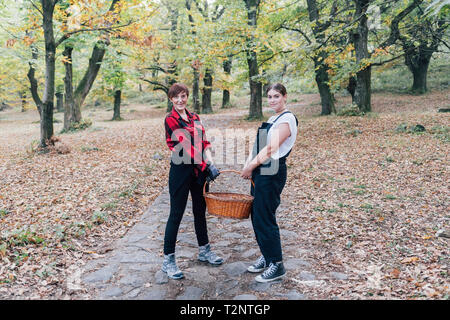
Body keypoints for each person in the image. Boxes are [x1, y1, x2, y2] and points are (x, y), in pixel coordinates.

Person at [162, 83, 223, 280]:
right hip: (181, 170)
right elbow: (185, 146)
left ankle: (204, 251)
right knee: (176, 214)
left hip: (199, 170)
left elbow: (204, 142)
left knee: (200, 211)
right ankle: (168, 261)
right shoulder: (170, 119)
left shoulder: (195, 117)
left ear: (187, 97)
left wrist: (210, 163)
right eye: (176, 97)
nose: (180, 100)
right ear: (171, 99)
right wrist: (206, 166)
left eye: (183, 96)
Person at [241, 83, 298, 283]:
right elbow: (259, 146)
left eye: (276, 96)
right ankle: (267, 256)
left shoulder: (287, 118)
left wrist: (251, 166)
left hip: (272, 172)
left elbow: (272, 148)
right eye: (270, 97)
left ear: (285, 97)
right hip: (261, 171)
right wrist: (249, 164)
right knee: (256, 216)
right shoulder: (272, 119)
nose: (272, 100)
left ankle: (277, 264)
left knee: (265, 217)